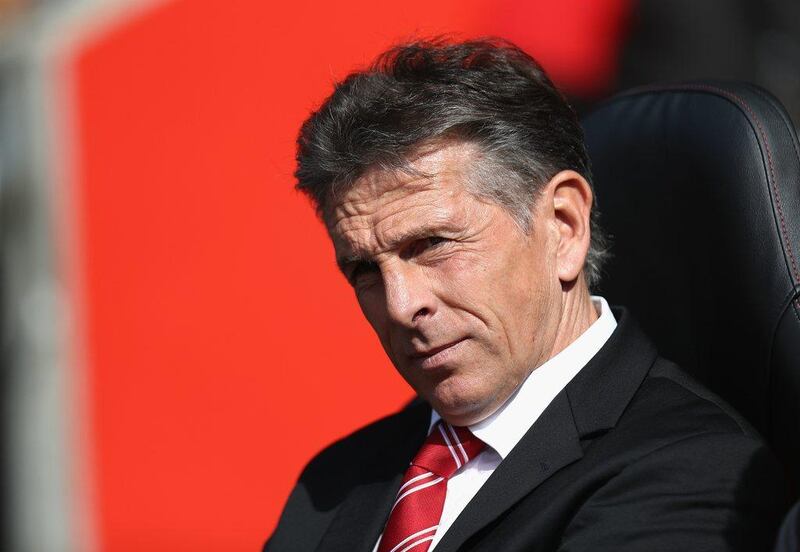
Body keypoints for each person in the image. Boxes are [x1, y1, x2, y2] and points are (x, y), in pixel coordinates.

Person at [265, 38, 785, 551]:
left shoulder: (690, 468)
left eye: (431, 244)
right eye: (363, 270)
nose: (401, 306)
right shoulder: (334, 482)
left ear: (563, 226)